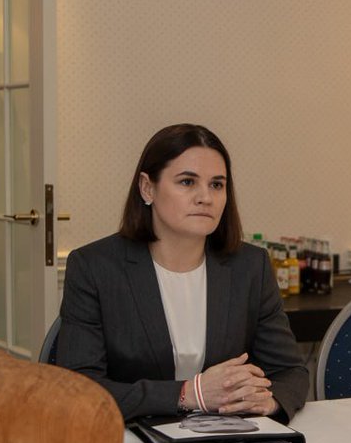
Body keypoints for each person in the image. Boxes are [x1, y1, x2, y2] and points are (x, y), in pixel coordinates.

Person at [57, 123, 308, 423]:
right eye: (188, 182)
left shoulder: (250, 266)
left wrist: (268, 402)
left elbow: (291, 372)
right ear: (147, 188)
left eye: (217, 184)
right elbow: (79, 391)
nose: (206, 197)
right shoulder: (94, 267)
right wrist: (191, 394)